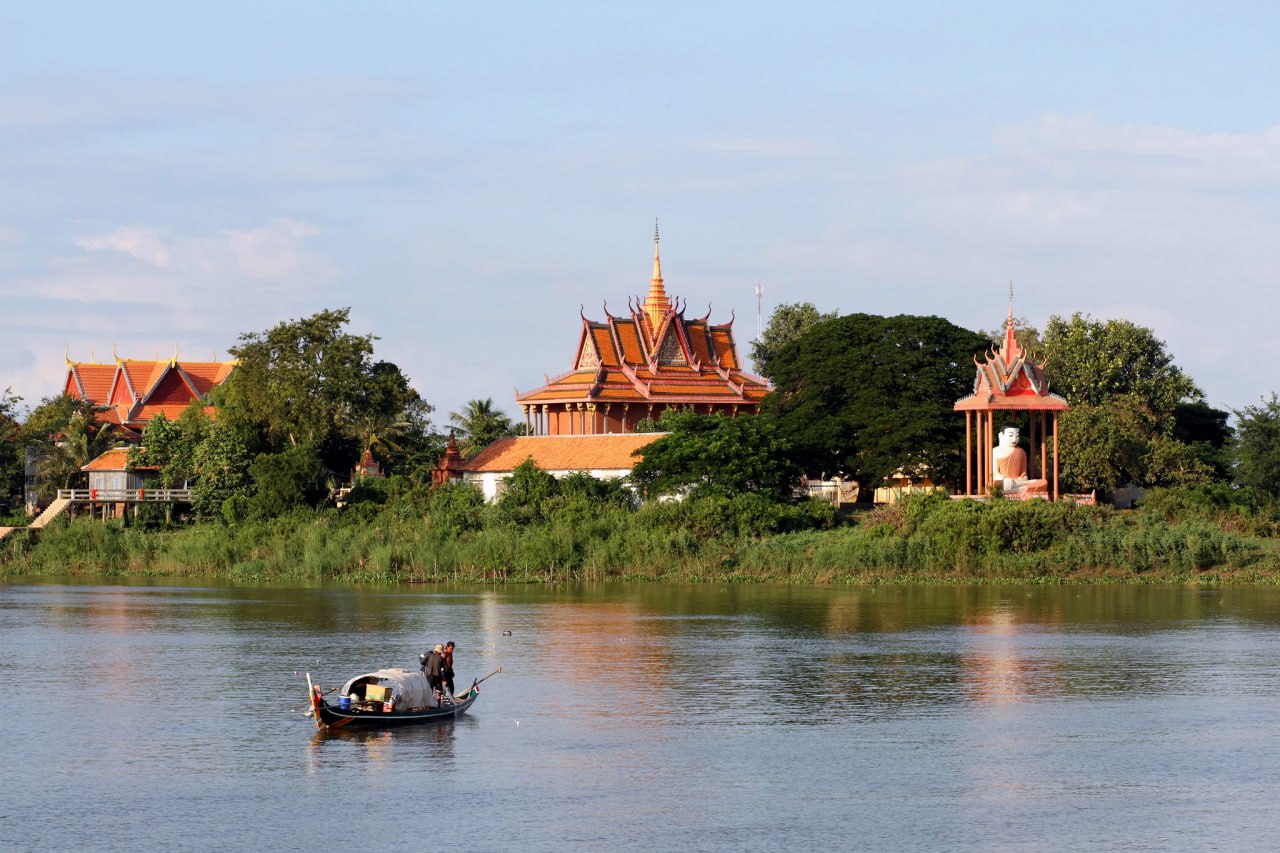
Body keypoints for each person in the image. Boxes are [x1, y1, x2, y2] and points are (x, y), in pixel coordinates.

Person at [992, 426, 1048, 494]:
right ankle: (1019, 489)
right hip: (1003, 482)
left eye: (1017, 435)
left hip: (1018, 482)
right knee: (997, 484)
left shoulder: (1021, 452)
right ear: (1001, 435)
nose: (1014, 439)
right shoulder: (995, 451)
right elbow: (995, 473)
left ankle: (1015, 490)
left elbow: (1024, 476)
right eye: (1010, 435)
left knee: (1043, 482)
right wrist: (1004, 478)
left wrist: (1020, 480)